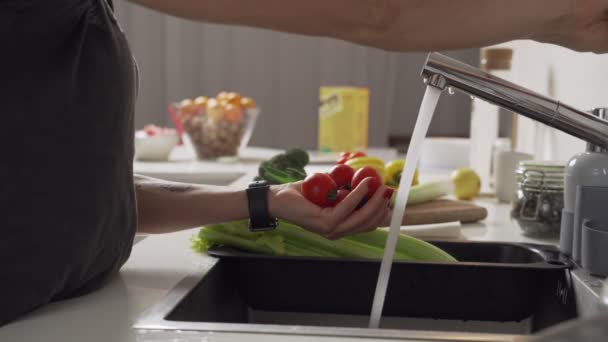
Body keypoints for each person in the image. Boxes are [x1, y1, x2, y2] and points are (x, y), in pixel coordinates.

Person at [1, 0, 607, 326]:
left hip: (79, 311)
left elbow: (89, 192)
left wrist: (269, 203)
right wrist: (562, 14)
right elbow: (378, 12)